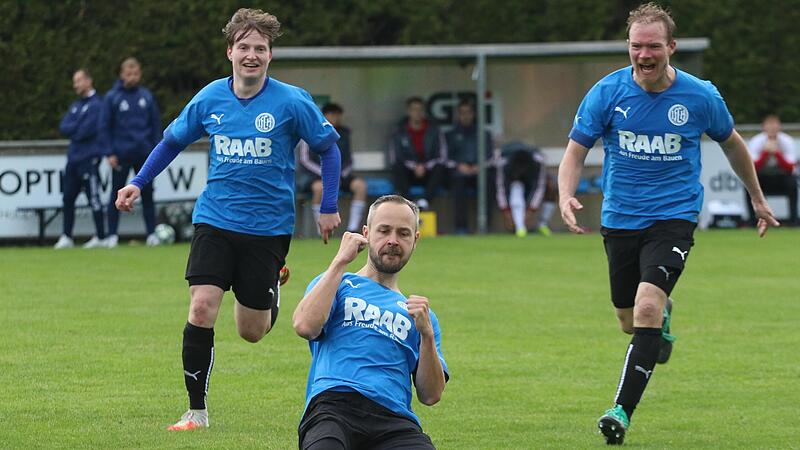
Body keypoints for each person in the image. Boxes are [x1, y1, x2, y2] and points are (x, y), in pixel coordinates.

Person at [557, 3, 779, 445]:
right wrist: (566, 193)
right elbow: (575, 151)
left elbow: (732, 144)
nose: (644, 54)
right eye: (636, 46)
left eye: (653, 46)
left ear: (671, 48)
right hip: (620, 219)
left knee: (645, 309)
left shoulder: (700, 96)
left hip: (673, 218)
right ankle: (664, 317)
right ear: (628, 47)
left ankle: (620, 410)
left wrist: (756, 197)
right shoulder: (607, 93)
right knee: (627, 318)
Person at [114, 8, 342, 430]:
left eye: (260, 48)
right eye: (244, 47)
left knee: (251, 331)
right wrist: (139, 182)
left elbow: (328, 148)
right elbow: (171, 142)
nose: (251, 55)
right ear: (230, 52)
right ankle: (196, 412)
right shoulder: (210, 98)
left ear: (270, 56)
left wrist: (328, 206)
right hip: (215, 219)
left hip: (268, 227)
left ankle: (271, 287)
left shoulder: (292, 101)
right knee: (201, 307)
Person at [293, 195, 448, 449]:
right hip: (333, 408)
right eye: (384, 230)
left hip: (394, 421)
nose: (393, 241)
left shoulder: (422, 316)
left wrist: (427, 337)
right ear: (366, 232)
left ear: (415, 240)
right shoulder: (336, 283)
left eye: (403, 233)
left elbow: (431, 395)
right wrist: (340, 261)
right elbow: (305, 326)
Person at [99, 57, 161, 247]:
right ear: (121, 74)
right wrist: (109, 152)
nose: (132, 77)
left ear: (140, 74)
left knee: (148, 193)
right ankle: (112, 235)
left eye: (135, 73)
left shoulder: (146, 96)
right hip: (121, 154)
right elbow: (104, 126)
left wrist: (156, 150)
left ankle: (151, 233)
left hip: (144, 153)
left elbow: (155, 125)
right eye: (128, 73)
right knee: (116, 194)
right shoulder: (112, 97)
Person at [54, 68, 108, 249]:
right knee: (67, 198)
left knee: (94, 198)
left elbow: (87, 131)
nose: (75, 85)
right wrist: (77, 126)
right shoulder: (76, 105)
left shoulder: (97, 104)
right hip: (73, 159)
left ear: (88, 81)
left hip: (89, 158)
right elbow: (64, 127)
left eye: (78, 81)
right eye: (74, 81)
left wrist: (75, 128)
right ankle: (66, 236)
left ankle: (101, 236)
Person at [298, 102, 368, 232]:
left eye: (337, 115)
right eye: (331, 114)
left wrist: (339, 175)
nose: (335, 118)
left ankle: (352, 228)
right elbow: (304, 159)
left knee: (360, 186)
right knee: (319, 188)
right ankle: (322, 229)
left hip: (341, 175)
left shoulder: (344, 134)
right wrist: (326, 173)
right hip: (315, 175)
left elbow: (349, 159)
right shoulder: (310, 131)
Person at [389, 97, 447, 210]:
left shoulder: (434, 130)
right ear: (408, 111)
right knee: (397, 167)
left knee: (440, 168)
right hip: (409, 171)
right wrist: (414, 166)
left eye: (420, 110)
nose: (417, 113)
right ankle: (408, 204)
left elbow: (442, 155)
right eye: (414, 110)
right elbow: (394, 157)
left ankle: (424, 201)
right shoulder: (399, 131)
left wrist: (424, 166)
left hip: (428, 171)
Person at [445, 99, 492, 234]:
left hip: (480, 172)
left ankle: (484, 226)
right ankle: (461, 227)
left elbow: (490, 156)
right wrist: (458, 166)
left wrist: (479, 167)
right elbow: (445, 157)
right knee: (458, 183)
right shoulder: (450, 135)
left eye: (468, 113)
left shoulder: (484, 134)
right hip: (459, 172)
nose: (466, 116)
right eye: (462, 113)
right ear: (458, 115)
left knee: (488, 182)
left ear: (474, 114)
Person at [493, 141, 557, 237]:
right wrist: (506, 211)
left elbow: (539, 186)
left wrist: (530, 211)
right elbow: (500, 187)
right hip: (514, 184)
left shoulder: (538, 161)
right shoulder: (503, 162)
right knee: (516, 187)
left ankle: (542, 223)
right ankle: (519, 226)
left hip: (531, 183)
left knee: (552, 187)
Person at [746, 114, 798, 226]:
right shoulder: (756, 141)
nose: (772, 129)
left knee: (792, 182)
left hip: (781, 178)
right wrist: (765, 153)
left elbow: (790, 168)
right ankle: (752, 222)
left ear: (779, 127)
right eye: (769, 126)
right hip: (762, 178)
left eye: (775, 126)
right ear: (764, 127)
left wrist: (777, 153)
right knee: (748, 184)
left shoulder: (787, 141)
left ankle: (793, 221)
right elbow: (752, 168)